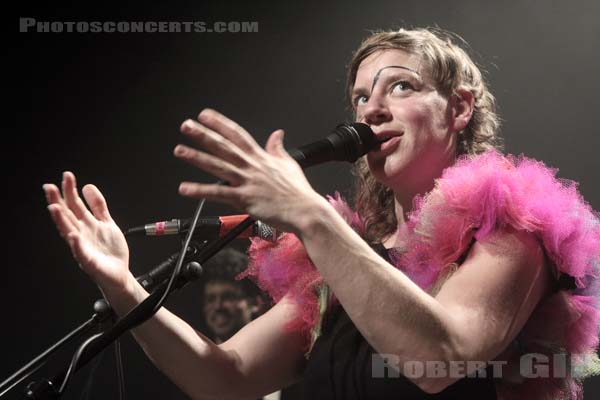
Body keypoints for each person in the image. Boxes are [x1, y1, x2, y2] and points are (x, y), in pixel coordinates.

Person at [42, 28, 600, 399]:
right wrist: (120, 286)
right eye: (360, 97)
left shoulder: (510, 229)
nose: (372, 108)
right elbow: (224, 377)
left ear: (458, 108)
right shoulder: (342, 266)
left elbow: (440, 355)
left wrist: (309, 214)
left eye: (400, 86)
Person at [200, 247, 266, 344]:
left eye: (228, 297)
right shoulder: (188, 357)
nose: (218, 306)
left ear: (254, 303)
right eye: (211, 299)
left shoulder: (276, 355)